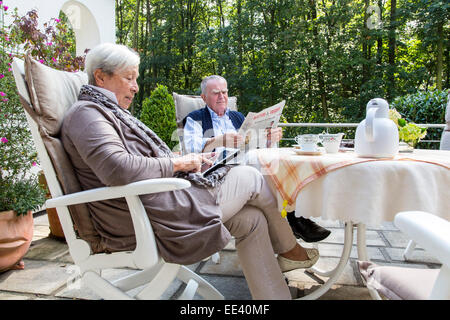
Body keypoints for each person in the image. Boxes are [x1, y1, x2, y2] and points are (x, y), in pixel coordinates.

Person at [61, 42, 319, 300]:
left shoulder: (107, 113)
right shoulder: (88, 114)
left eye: (135, 79)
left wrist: (189, 159)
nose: (135, 87)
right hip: (146, 218)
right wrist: (178, 164)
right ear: (101, 77)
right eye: (129, 78)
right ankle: (290, 249)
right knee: (252, 176)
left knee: (251, 220)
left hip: (158, 205)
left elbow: (133, 159)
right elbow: (117, 168)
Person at [183, 75, 331, 243]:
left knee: (273, 159)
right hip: (218, 173)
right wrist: (218, 140)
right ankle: (294, 218)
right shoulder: (195, 118)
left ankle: (294, 215)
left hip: (247, 166)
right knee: (257, 161)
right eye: (216, 93)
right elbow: (191, 150)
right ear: (204, 97)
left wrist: (269, 139)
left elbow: (252, 144)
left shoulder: (238, 117)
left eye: (224, 92)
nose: (222, 96)